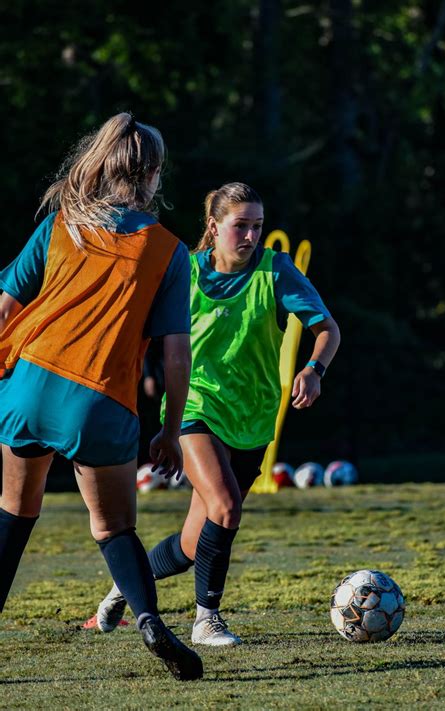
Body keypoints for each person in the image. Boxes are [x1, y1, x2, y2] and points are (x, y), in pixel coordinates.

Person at [0, 113, 203, 681]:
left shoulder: (64, 223)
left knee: (14, 516)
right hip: (99, 398)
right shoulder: (167, 251)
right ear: (154, 174)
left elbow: (4, 309)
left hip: (30, 383)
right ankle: (148, 621)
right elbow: (175, 355)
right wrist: (170, 427)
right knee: (113, 528)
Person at [95, 181, 341, 646]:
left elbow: (328, 329)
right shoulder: (181, 272)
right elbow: (139, 333)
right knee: (226, 508)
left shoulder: (276, 270)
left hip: (252, 416)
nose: (250, 236)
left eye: (258, 226)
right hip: (194, 408)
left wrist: (314, 368)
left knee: (193, 544)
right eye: (240, 226)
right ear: (214, 227)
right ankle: (206, 619)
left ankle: (126, 583)